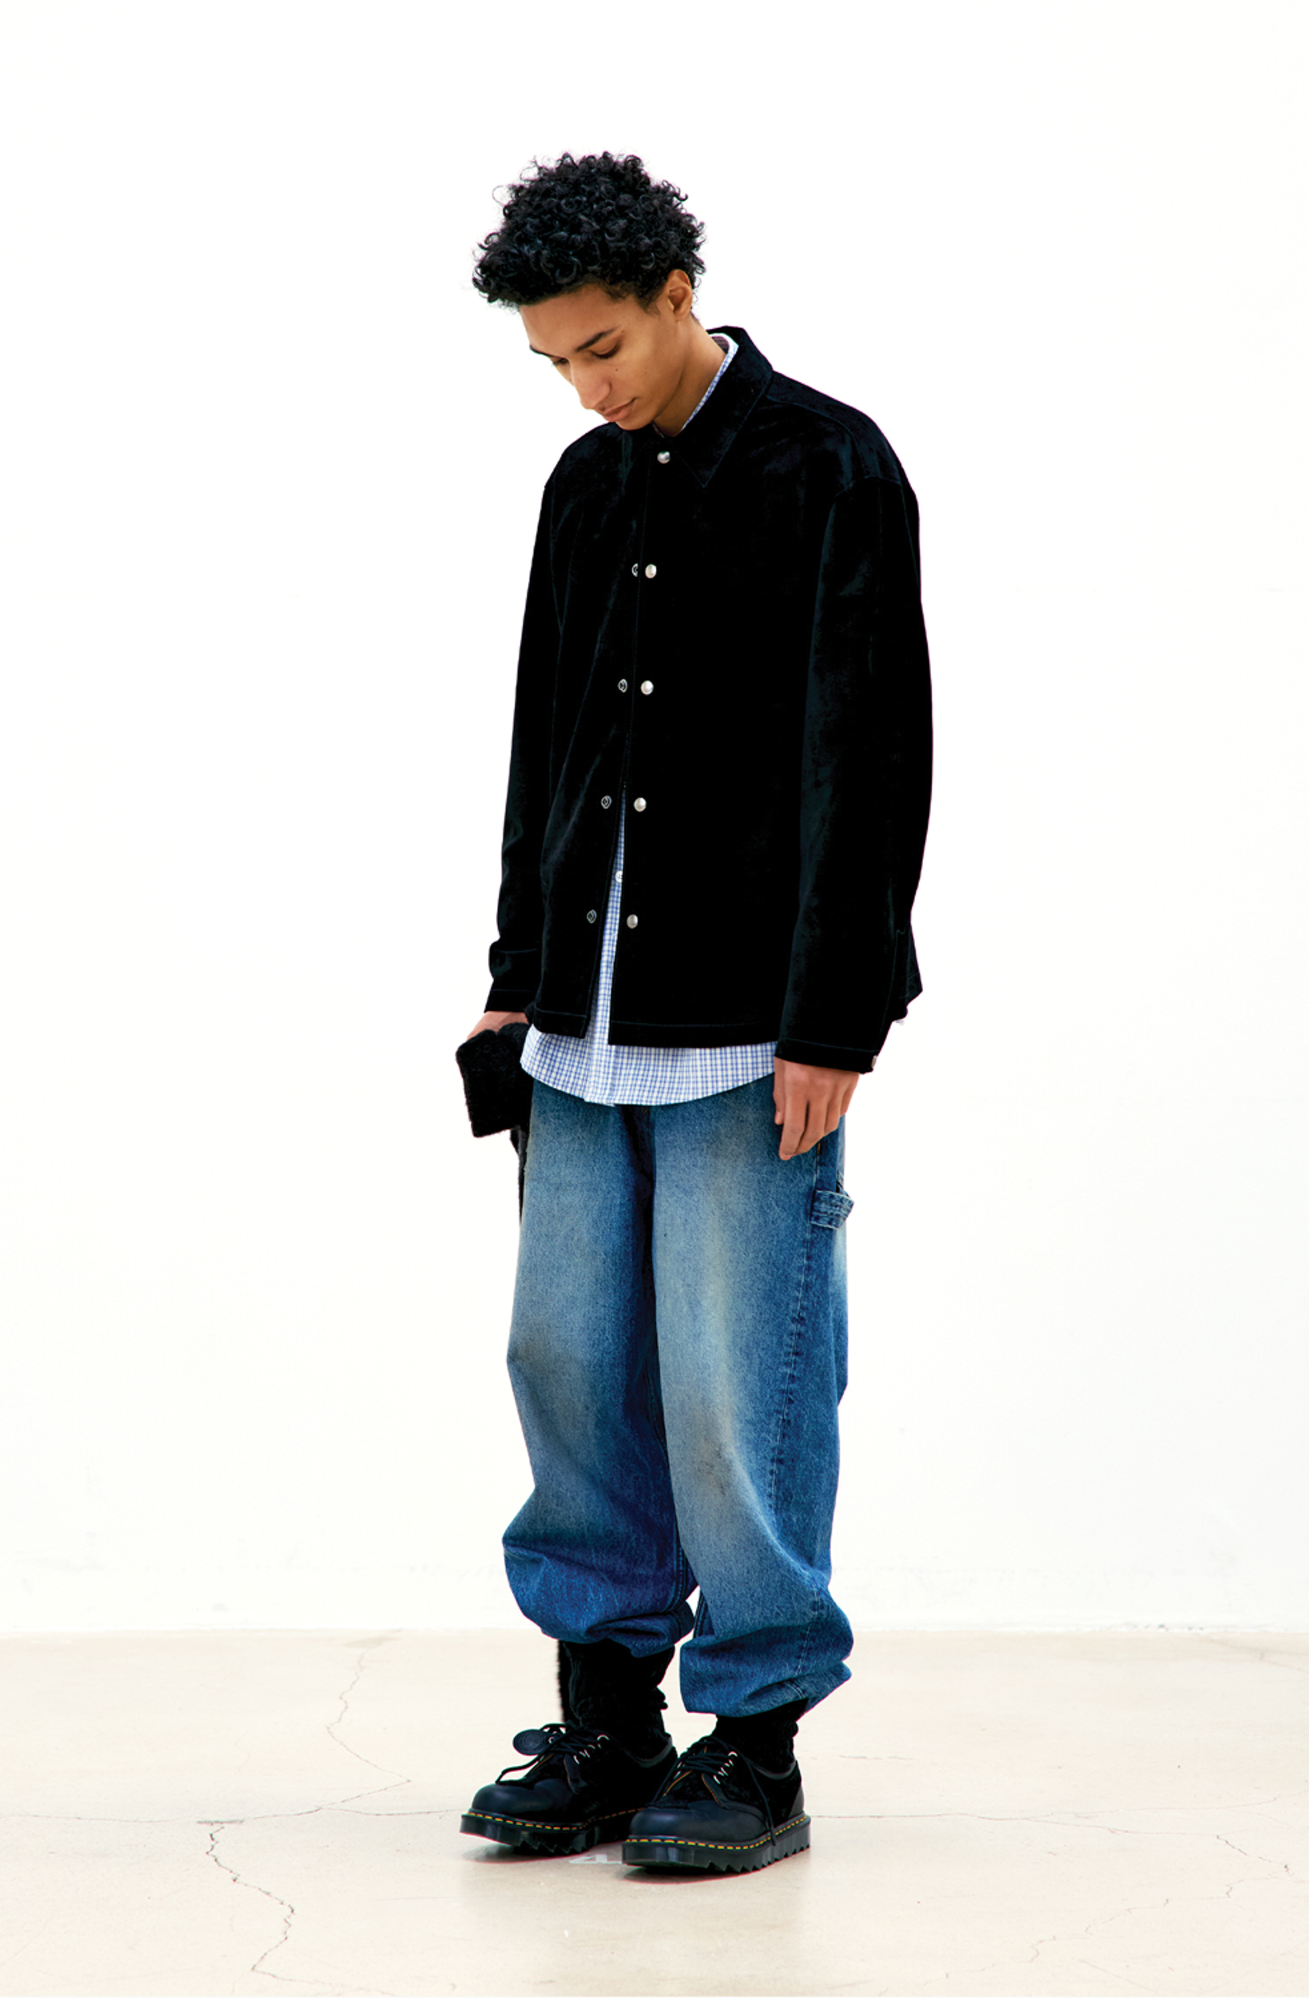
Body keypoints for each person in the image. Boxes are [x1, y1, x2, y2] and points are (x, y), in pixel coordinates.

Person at [459, 151, 932, 1875]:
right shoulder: (583, 488)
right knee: (570, 1365)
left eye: (601, 348)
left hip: (751, 1024)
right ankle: (606, 1718)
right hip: (578, 1019)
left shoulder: (827, 465)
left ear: (677, 294)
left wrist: (835, 1017)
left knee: (743, 1383)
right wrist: (514, 976)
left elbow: (869, 758)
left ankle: (754, 1740)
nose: (583, 388)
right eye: (553, 363)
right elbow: (544, 739)